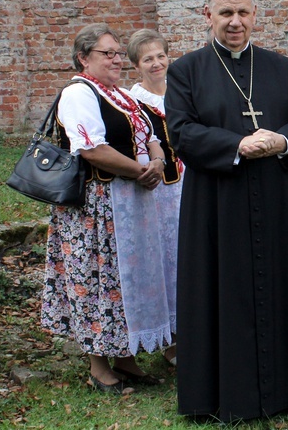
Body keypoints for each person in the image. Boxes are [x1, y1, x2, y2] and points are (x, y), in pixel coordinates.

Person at [165, 0, 288, 422]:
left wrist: (280, 141)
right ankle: (219, 395)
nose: (235, 22)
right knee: (221, 288)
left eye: (243, 13)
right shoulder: (186, 70)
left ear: (255, 16)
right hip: (216, 201)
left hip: (276, 199)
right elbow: (181, 132)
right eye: (225, 13)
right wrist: (237, 145)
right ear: (209, 16)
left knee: (281, 282)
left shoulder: (278, 67)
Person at [41, 23, 169, 393]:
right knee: (99, 282)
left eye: (117, 53)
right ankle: (99, 366)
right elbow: (91, 148)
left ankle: (126, 359)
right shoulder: (79, 93)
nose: (116, 59)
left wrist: (157, 162)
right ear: (84, 58)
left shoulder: (121, 95)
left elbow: (152, 136)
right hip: (96, 205)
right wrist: (139, 170)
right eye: (106, 53)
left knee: (129, 280)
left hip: (132, 201)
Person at [126, 28, 182, 366]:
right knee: (167, 260)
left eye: (161, 56)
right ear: (136, 65)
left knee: (191, 257)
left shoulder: (181, 91)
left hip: (191, 186)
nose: (157, 63)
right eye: (148, 59)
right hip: (159, 194)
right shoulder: (132, 101)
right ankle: (171, 341)